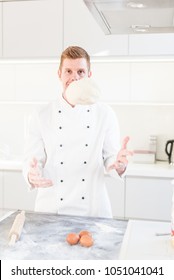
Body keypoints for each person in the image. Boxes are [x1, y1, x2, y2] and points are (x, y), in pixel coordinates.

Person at [23, 46, 132, 218]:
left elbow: (111, 159)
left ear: (89, 75)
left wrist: (118, 165)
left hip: (93, 210)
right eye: (68, 71)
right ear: (59, 74)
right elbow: (32, 160)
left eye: (81, 71)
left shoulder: (105, 113)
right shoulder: (41, 114)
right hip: (51, 210)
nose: (74, 77)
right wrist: (32, 174)